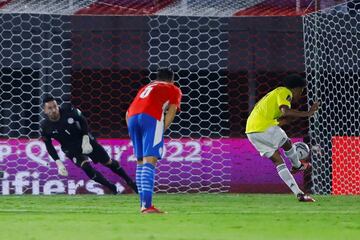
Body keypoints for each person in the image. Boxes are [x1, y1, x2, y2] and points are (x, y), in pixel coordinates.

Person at [41, 95, 137, 194]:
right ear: (45, 110)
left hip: (84, 140)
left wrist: (86, 138)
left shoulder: (68, 109)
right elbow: (49, 146)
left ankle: (130, 182)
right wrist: (59, 163)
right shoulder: (45, 126)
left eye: (55, 106)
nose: (54, 110)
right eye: (50, 108)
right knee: (87, 168)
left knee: (108, 162)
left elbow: (82, 120)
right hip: (71, 149)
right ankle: (112, 188)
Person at [246, 74, 319, 202]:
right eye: (301, 91)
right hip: (263, 127)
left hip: (251, 131)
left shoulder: (272, 95)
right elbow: (285, 111)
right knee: (286, 142)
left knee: (278, 161)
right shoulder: (284, 91)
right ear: (296, 89)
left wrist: (295, 117)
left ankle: (299, 194)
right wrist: (308, 113)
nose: (300, 94)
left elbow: (280, 121)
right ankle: (297, 165)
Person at [127, 68, 182, 213]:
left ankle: (143, 204)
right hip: (150, 117)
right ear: (172, 80)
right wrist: (159, 132)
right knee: (150, 160)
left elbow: (127, 112)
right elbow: (171, 113)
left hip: (132, 118)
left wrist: (133, 132)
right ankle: (147, 206)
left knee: (140, 161)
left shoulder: (146, 87)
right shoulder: (173, 88)